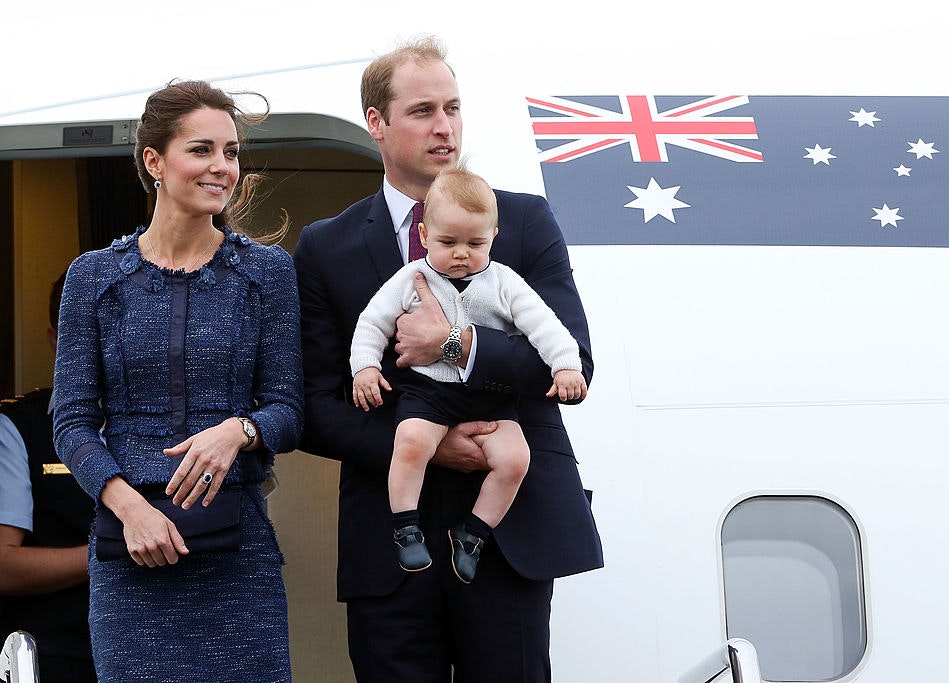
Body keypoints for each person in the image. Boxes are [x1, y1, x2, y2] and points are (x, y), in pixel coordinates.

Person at [294, 36, 603, 681]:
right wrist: (430, 446)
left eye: (454, 108)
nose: (446, 126)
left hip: (508, 536)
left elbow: (574, 363)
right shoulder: (329, 247)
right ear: (375, 123)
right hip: (390, 541)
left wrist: (456, 347)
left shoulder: (522, 222)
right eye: (424, 110)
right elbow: (317, 408)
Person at [51, 80, 303, 682]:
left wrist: (238, 432)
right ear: (154, 161)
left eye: (232, 152)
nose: (222, 167)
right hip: (129, 550)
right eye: (203, 150)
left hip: (238, 555)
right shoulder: (94, 278)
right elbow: (71, 422)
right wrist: (127, 506)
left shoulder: (268, 274)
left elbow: (289, 410)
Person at [350, 165, 588, 585]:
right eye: (447, 242)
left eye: (475, 243)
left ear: (493, 237)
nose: (461, 253)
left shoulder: (505, 283)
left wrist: (566, 365)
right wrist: (365, 367)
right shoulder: (411, 277)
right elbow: (372, 322)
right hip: (429, 392)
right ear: (423, 237)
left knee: (516, 460)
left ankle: (474, 531)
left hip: (492, 399)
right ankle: (406, 525)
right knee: (410, 442)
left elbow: (546, 326)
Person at [0, 270, 97, 683]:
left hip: (155, 645)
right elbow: (3, 566)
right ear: (55, 340)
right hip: (54, 654)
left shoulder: (163, 426)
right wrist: (105, 555)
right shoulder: (17, 426)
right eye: (80, 337)